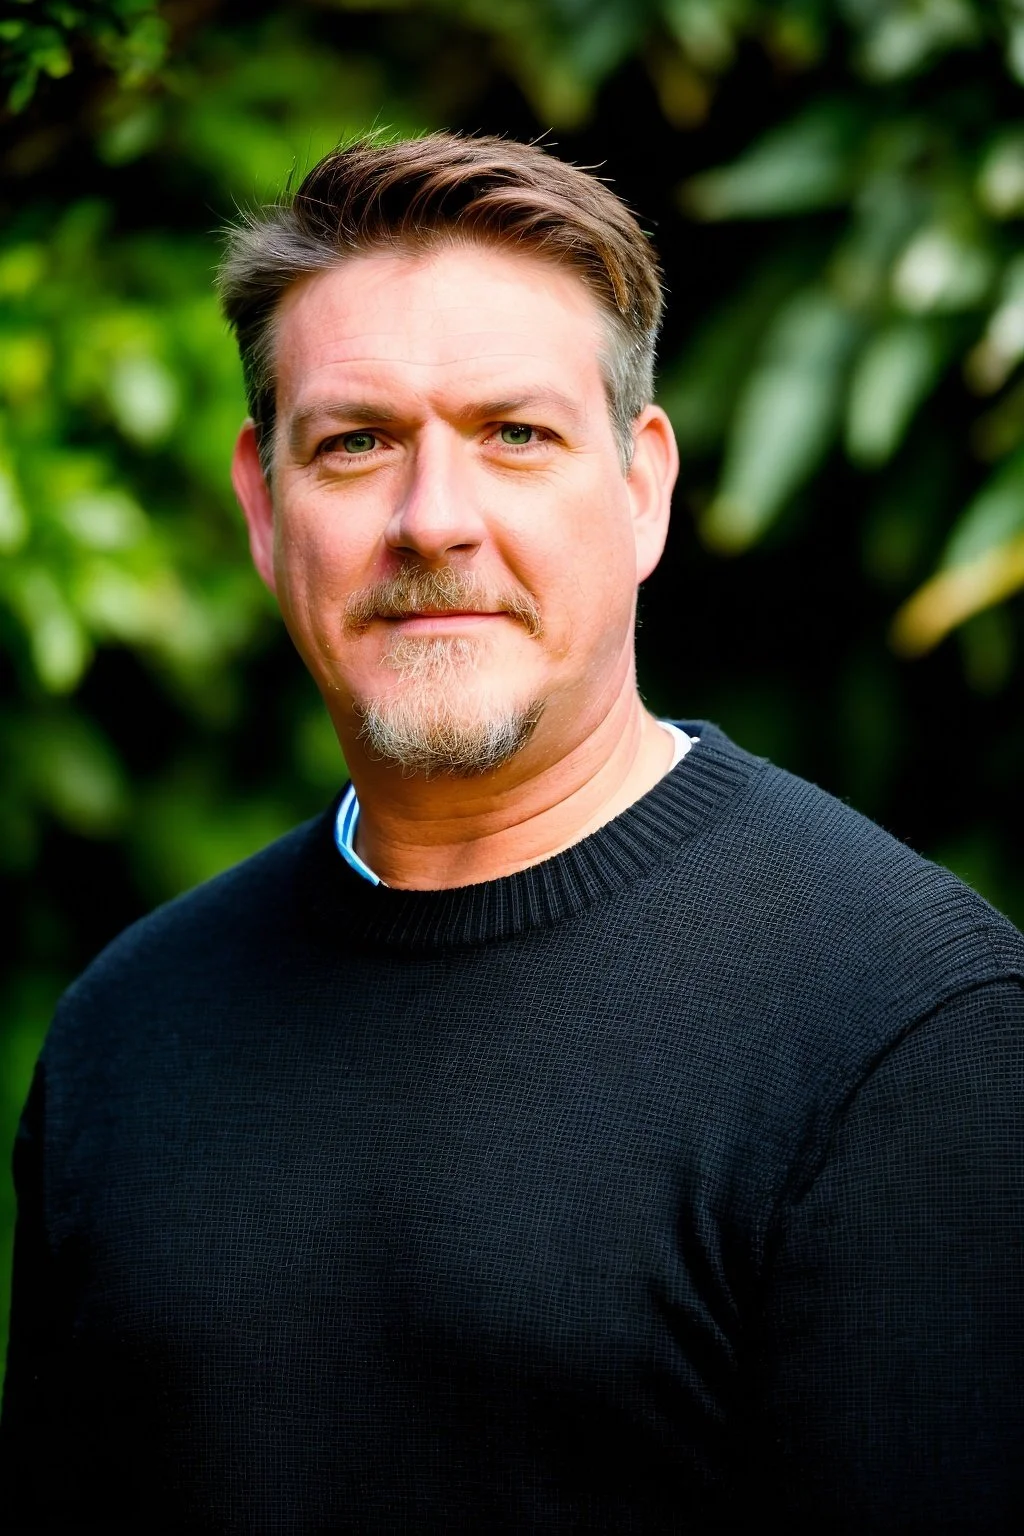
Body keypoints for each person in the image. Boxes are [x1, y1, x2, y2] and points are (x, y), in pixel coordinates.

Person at [2, 132, 1023, 1534]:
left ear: (642, 485)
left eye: (514, 435)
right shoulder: (128, 1035)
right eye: (356, 443)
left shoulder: (908, 1031)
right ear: (262, 504)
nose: (435, 521)